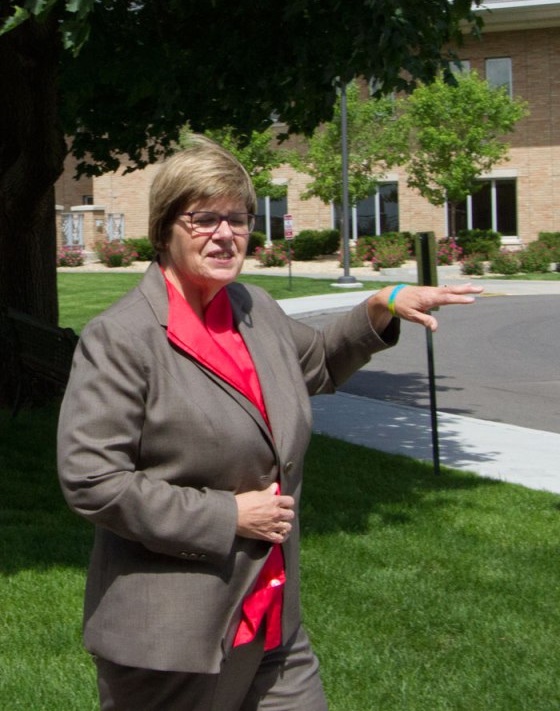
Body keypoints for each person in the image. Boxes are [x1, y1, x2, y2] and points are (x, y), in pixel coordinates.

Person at [56, 136, 481, 709]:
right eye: (204, 218)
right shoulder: (123, 338)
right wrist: (227, 515)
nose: (225, 233)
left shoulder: (256, 311)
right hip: (173, 641)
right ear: (165, 228)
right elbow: (91, 480)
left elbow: (322, 359)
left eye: (239, 218)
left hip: (274, 623)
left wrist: (380, 303)